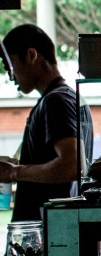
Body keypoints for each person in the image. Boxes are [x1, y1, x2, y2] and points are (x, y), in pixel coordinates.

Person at [0, 24, 93, 221]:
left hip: (46, 234)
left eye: (10, 64)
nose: (10, 75)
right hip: (56, 228)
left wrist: (15, 172)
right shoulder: (70, 97)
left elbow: (72, 165)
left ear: (31, 55)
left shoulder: (56, 100)